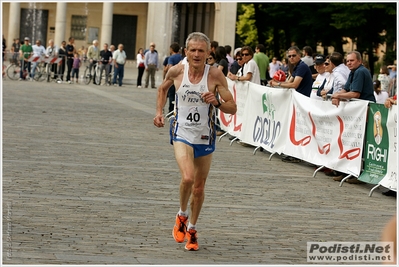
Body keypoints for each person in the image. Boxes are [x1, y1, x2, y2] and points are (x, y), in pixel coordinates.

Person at [153, 32, 237, 251]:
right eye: (193, 50)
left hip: (205, 135)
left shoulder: (216, 75)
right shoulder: (176, 71)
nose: (197, 54)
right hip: (182, 132)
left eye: (201, 50)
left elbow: (232, 107)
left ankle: (192, 229)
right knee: (188, 178)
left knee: (199, 188)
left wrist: (217, 102)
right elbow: (162, 89)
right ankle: (181, 215)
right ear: (186, 52)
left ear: (209, 53)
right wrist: (159, 112)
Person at [269, 46, 313, 163]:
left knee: (299, 130)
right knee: (294, 128)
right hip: (297, 102)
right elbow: (288, 82)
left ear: (299, 55)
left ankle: (297, 155)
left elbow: (294, 85)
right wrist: (277, 83)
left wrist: (277, 84)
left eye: (294, 55)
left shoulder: (302, 66)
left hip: (302, 102)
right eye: (289, 56)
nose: (291, 58)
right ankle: (293, 152)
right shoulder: (296, 66)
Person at [165, 42, 183, 113]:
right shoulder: (182, 57)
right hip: (181, 79)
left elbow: (170, 68)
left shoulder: (171, 58)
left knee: (171, 95)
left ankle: (171, 111)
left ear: (171, 49)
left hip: (173, 79)